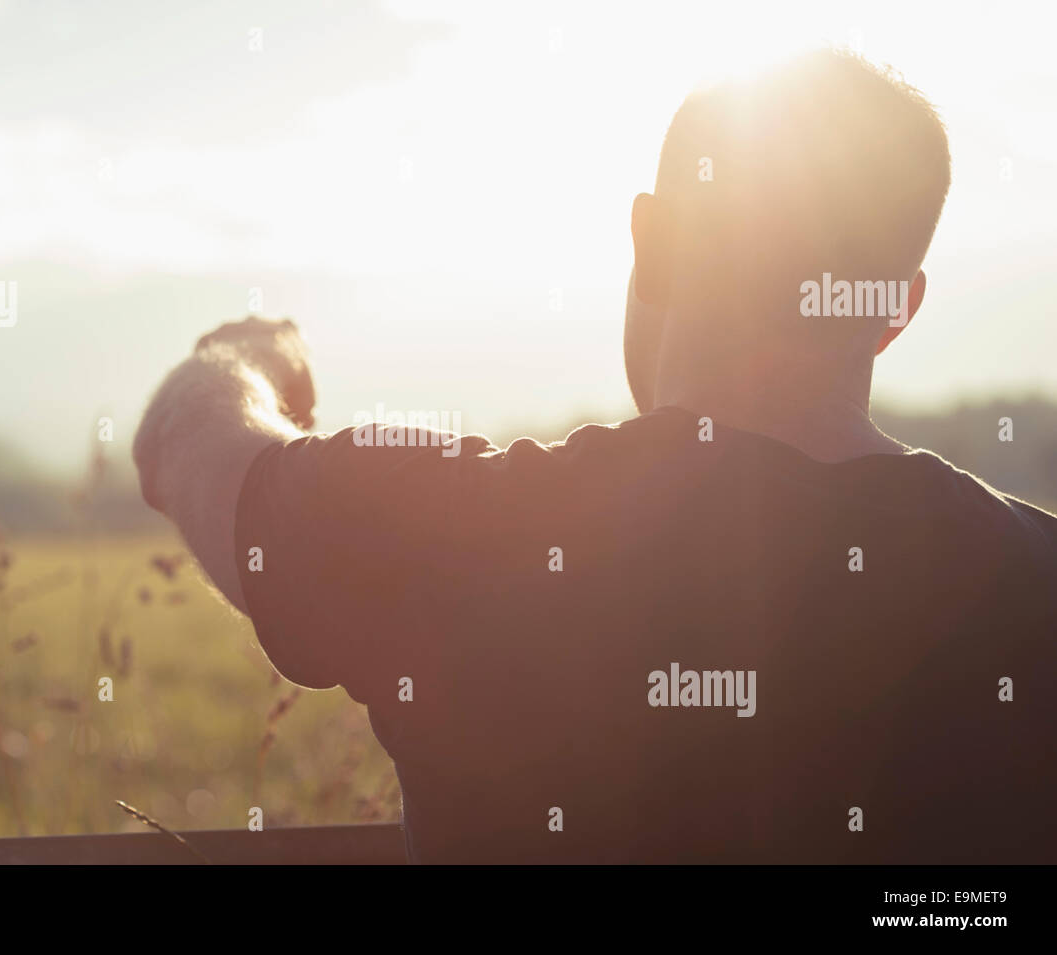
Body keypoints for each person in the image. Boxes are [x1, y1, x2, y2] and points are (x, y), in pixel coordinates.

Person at [133, 49, 1057, 863]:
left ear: (651, 245)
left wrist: (247, 359)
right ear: (897, 307)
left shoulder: (467, 533)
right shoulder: (1032, 577)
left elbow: (187, 439)